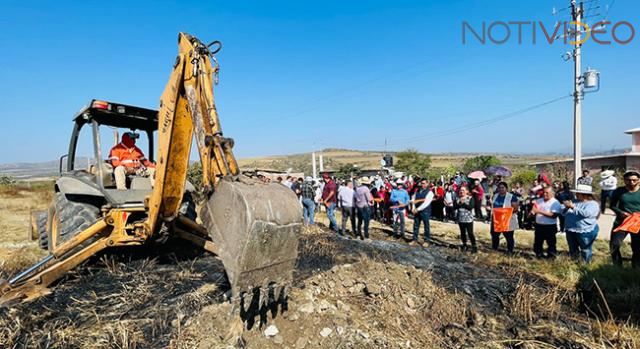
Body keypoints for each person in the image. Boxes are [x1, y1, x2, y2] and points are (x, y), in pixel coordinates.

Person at [562, 184, 600, 263]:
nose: (576, 195)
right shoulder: (574, 201)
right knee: (573, 249)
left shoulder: (593, 204)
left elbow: (586, 213)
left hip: (585, 230)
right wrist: (566, 207)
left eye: (578, 193)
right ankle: (574, 263)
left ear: (585, 195)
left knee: (585, 249)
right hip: (571, 230)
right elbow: (563, 213)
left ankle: (586, 264)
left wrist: (573, 207)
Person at [610, 169, 640, 267]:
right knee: (614, 244)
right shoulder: (619, 191)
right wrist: (620, 212)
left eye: (634, 180)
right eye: (628, 180)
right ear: (624, 180)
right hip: (622, 221)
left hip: (637, 222)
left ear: (639, 180)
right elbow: (612, 205)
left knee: (637, 247)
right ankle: (617, 266)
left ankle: (635, 268)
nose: (631, 182)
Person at [530, 187, 562, 259]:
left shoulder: (555, 202)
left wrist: (539, 212)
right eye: (543, 192)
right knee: (538, 242)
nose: (545, 194)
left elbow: (553, 215)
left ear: (552, 193)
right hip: (539, 225)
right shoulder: (538, 201)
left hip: (550, 226)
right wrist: (532, 212)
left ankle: (551, 256)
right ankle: (538, 255)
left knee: (551, 243)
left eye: (547, 193)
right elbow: (534, 209)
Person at [490, 182, 519, 254]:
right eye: (499, 188)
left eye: (502, 187)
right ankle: (494, 248)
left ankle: (510, 251)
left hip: (507, 219)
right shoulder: (495, 195)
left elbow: (515, 209)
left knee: (508, 235)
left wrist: (505, 212)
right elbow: (493, 205)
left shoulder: (511, 197)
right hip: (496, 218)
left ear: (506, 188)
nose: (501, 189)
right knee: (494, 234)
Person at [454, 186, 477, 252]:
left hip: (468, 219)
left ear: (467, 191)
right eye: (460, 190)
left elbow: (470, 207)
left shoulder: (470, 198)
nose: (461, 192)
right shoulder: (457, 198)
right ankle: (464, 244)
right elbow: (454, 207)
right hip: (460, 219)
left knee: (470, 233)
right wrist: (459, 204)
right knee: (462, 233)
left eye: (463, 190)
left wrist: (463, 203)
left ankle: (474, 246)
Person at [412, 179, 434, 245]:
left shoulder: (430, 193)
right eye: (422, 183)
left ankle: (427, 241)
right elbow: (413, 199)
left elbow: (426, 203)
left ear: (427, 184)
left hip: (425, 211)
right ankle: (414, 239)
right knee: (416, 226)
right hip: (417, 211)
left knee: (426, 226)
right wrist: (413, 208)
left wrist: (418, 209)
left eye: (424, 183)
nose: (423, 185)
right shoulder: (417, 191)